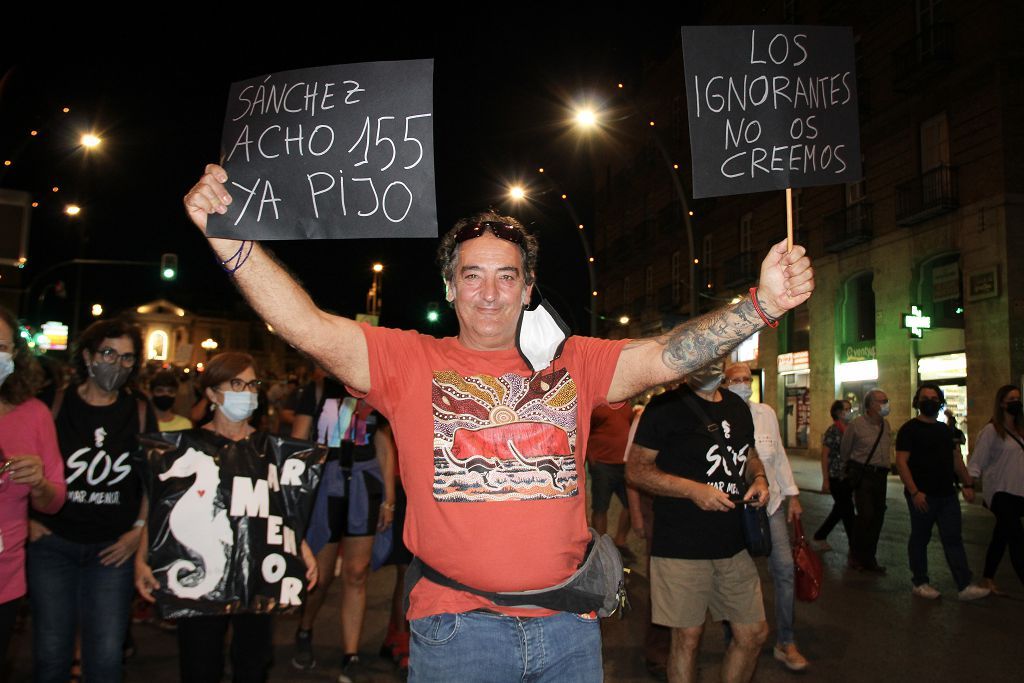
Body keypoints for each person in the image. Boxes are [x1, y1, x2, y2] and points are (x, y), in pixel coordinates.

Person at [183, 163, 814, 680]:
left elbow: (664, 355)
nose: (490, 293)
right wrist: (231, 242)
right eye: (472, 276)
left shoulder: (575, 361)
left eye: (506, 276)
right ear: (450, 289)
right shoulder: (407, 361)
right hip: (458, 633)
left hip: (570, 628)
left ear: (529, 287)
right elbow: (306, 327)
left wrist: (761, 305)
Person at [135, 352, 318, 682]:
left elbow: (282, 507)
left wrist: (300, 548)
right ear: (211, 394)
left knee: (253, 662)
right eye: (236, 384)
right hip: (201, 574)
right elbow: (161, 506)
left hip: (257, 570)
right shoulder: (184, 448)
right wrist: (142, 556)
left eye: (252, 384)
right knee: (200, 664)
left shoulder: (271, 450)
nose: (246, 392)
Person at [28, 318, 155, 683]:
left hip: (111, 552)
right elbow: (20, 463)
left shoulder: (140, 411)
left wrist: (138, 531)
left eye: (127, 358)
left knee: (105, 660)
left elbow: (152, 483)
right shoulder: (51, 405)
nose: (117, 364)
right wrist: (27, 518)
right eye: (109, 353)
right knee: (51, 656)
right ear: (87, 355)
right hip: (52, 545)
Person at [626, 361, 770, 683]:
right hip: (681, 543)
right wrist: (692, 490)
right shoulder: (664, 407)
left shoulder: (737, 406)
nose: (711, 365)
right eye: (702, 357)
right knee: (687, 638)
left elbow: (748, 454)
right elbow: (636, 471)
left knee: (753, 634)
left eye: (717, 357)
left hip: (734, 543)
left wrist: (759, 478)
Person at [290, 373, 395, 681]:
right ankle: (305, 630)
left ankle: (351, 653)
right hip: (326, 486)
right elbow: (298, 443)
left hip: (364, 485)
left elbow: (384, 443)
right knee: (319, 578)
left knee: (357, 573)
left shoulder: (371, 385)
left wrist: (389, 499)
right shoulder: (318, 388)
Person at [723, 362, 808, 671]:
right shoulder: (719, 417)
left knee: (784, 571)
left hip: (770, 505)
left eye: (747, 379)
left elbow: (779, 457)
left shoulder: (766, 414)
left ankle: (786, 641)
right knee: (733, 577)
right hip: (732, 508)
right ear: (725, 382)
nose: (744, 383)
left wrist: (793, 495)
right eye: (736, 379)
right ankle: (733, 638)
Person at [0, 307, 66, 661]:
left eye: (2, 347)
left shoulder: (34, 414)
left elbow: (54, 501)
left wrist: (39, 482)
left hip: (4, 579)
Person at [894, 383, 989, 600]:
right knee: (920, 537)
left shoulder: (945, 431)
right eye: (925, 397)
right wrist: (914, 492)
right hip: (923, 496)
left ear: (940, 402)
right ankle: (920, 581)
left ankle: (964, 585)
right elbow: (901, 462)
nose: (930, 401)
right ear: (917, 402)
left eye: (934, 398)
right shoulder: (909, 430)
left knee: (953, 538)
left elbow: (956, 460)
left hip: (947, 495)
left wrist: (967, 483)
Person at [968, 384, 1024, 591]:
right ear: (1001, 403)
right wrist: (969, 484)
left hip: (1019, 491)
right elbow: (977, 461)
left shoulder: (1020, 431)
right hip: (1000, 493)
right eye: (1011, 399)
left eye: (1018, 398)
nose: (1016, 402)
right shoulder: (991, 431)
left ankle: (988, 578)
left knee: (1002, 536)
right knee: (1017, 538)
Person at [840, 388, 891, 573]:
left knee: (878, 517)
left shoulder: (886, 425)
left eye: (886, 400)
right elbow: (845, 450)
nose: (886, 403)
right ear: (870, 405)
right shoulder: (857, 424)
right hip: (863, 474)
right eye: (882, 400)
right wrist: (849, 468)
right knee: (865, 515)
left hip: (881, 475)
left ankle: (870, 558)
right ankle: (856, 555)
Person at [586, 402, 635, 557]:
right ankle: (600, 549)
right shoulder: (598, 406)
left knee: (632, 505)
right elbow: (584, 429)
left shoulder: (627, 405)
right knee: (600, 507)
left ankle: (620, 541)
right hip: (603, 465)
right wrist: (590, 456)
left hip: (625, 465)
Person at [813, 400, 855, 549]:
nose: (850, 411)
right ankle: (855, 546)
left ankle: (820, 536)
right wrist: (825, 480)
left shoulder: (851, 429)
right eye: (847, 409)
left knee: (840, 509)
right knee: (848, 511)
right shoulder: (833, 431)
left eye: (850, 408)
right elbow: (825, 456)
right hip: (835, 476)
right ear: (838, 412)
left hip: (849, 476)